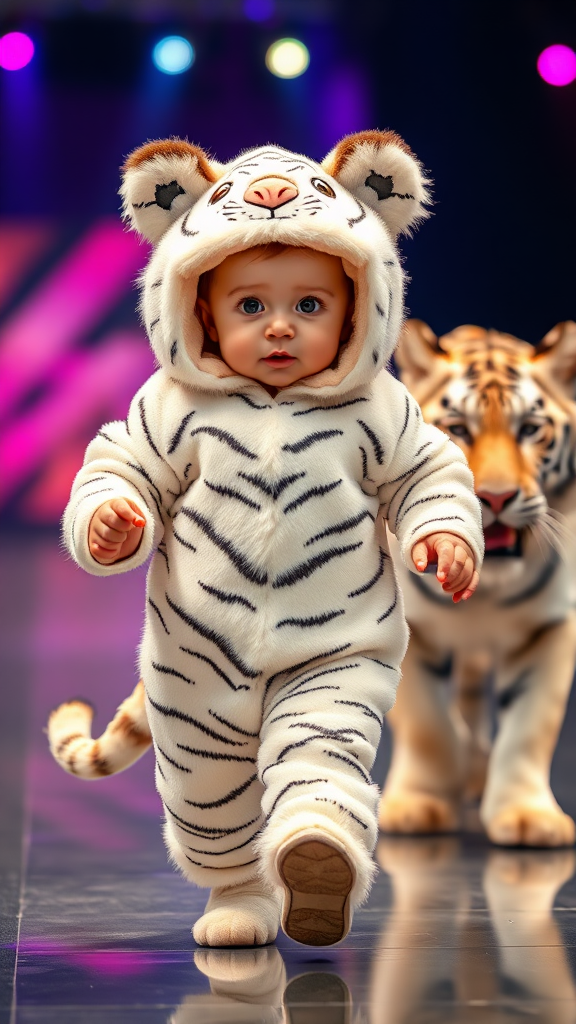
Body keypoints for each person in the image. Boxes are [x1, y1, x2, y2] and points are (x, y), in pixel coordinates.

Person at [58, 131, 483, 948]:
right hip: (197, 651)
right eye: (251, 306)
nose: (280, 328)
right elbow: (120, 468)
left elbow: (429, 474)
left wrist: (439, 528)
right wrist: (110, 518)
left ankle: (316, 843)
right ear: (201, 314)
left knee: (324, 750)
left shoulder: (375, 406)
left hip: (337, 643)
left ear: (360, 308)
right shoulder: (172, 403)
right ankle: (238, 886)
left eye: (310, 306)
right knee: (204, 784)